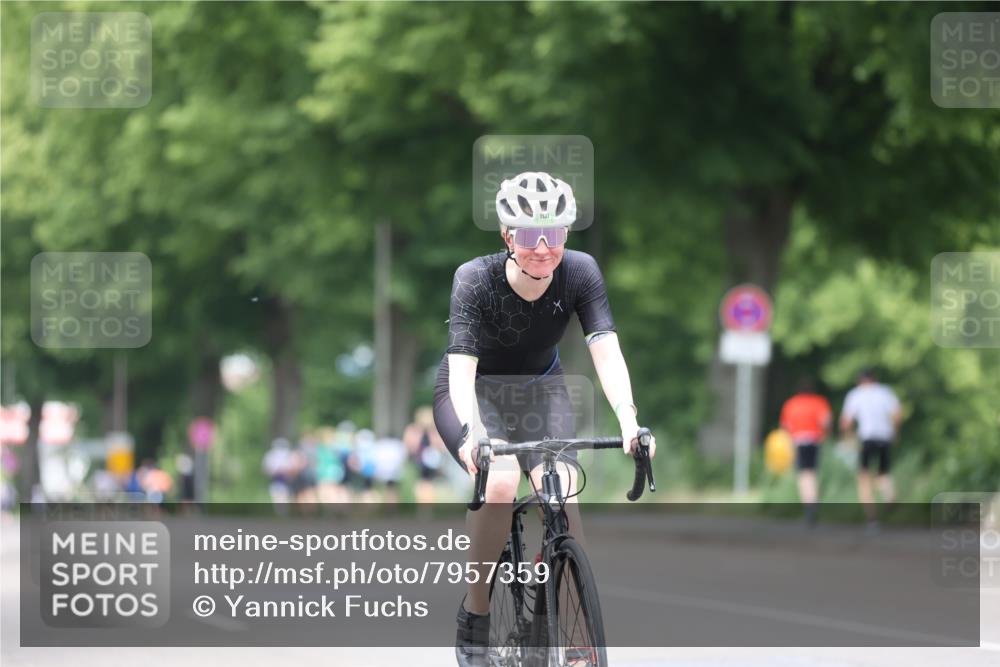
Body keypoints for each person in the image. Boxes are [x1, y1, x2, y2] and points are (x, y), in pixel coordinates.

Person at [432, 171, 656, 666]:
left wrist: (627, 419)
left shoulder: (581, 272)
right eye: (529, 235)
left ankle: (573, 646)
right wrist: (474, 434)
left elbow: (606, 348)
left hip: (539, 388)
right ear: (507, 235)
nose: (542, 247)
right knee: (502, 481)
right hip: (473, 390)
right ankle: (477, 613)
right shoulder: (475, 278)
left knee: (563, 491)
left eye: (553, 234)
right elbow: (464, 369)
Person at [839, 367, 902, 533]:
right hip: (885, 437)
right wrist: (895, 433)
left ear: (860, 380)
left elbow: (846, 421)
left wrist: (848, 437)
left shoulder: (855, 394)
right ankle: (890, 496)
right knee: (883, 472)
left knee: (864, 478)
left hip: (867, 438)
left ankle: (872, 519)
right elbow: (897, 414)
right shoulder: (885, 392)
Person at [779, 378, 832, 526]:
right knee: (813, 473)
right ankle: (813, 501)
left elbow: (785, 426)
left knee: (804, 475)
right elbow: (826, 421)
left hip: (799, 441)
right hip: (815, 440)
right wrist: (825, 435)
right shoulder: (819, 402)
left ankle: (809, 507)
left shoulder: (791, 404)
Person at [403, 406, 446, 504]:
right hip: (425, 460)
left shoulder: (416, 430)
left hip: (423, 460)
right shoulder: (430, 431)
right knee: (427, 483)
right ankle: (426, 505)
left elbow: (408, 445)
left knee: (423, 483)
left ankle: (424, 505)